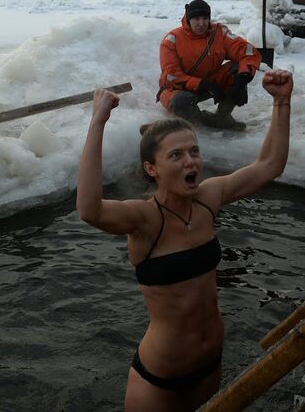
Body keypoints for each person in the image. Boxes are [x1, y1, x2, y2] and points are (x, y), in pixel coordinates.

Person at [77, 69, 293, 412]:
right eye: (175, 155)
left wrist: (282, 101)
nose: (190, 160)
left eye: (193, 151)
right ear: (152, 169)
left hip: (210, 368)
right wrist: (98, 122)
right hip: (160, 381)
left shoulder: (209, 198)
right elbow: (90, 209)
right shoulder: (146, 219)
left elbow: (269, 165)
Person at [157, 0, 262, 130]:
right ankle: (202, 123)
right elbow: (171, 76)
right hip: (176, 88)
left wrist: (243, 79)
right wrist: (202, 84)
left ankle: (222, 117)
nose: (201, 23)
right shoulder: (171, 40)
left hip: (209, 82)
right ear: (188, 19)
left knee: (238, 68)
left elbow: (247, 51)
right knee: (181, 102)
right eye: (196, 19)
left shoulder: (219, 33)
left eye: (205, 18)